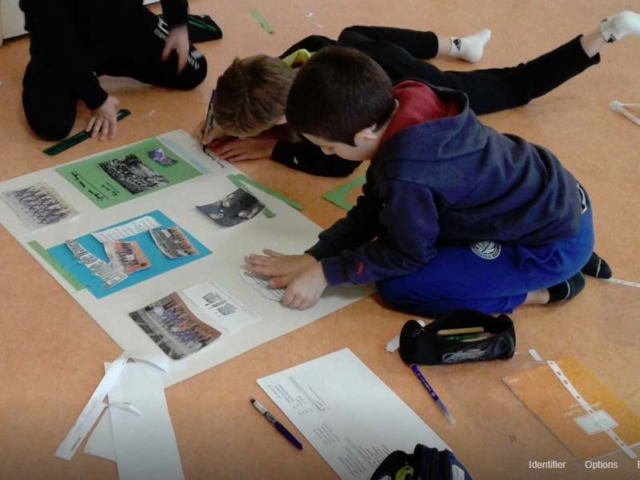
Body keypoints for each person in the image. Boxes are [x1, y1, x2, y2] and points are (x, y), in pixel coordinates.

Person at [243, 11, 640, 317]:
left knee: (402, 288)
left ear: (365, 135)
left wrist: (328, 274)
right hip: (553, 196)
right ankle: (549, 263)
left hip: (551, 244)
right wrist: (318, 255)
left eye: (328, 148)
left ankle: (548, 289)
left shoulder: (409, 173)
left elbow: (408, 252)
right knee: (406, 231)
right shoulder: (406, 98)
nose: (328, 154)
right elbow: (376, 203)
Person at [204, 11, 637, 179]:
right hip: (364, 49)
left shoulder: (328, 116)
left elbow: (334, 164)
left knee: (512, 86)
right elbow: (248, 86)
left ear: (290, 116)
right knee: (350, 33)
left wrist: (270, 147)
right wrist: (219, 120)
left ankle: (604, 34)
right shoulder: (286, 62)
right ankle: (457, 44)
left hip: (410, 77)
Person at [20, 0, 208, 142]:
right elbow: (53, 32)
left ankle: (96, 70)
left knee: (192, 69)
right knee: (51, 126)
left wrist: (178, 24)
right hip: (66, 42)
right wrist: (95, 98)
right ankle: (73, 74)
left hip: (125, 26)